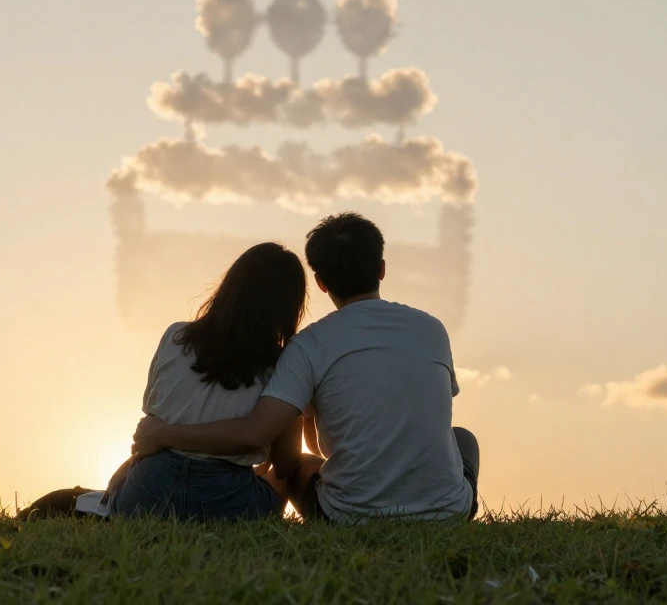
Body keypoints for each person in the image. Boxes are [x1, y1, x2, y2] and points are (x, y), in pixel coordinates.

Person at [133, 212, 480, 523]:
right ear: (382, 269)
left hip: (346, 517)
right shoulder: (432, 329)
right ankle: (446, 502)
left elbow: (265, 437)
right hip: (447, 513)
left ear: (321, 282)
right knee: (462, 438)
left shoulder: (308, 345)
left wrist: (162, 435)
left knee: (301, 467)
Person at [107, 241, 309, 521]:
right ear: (289, 307)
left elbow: (153, 418)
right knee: (287, 477)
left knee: (128, 478)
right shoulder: (283, 362)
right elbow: (286, 464)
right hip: (228, 498)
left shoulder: (175, 336)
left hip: (149, 487)